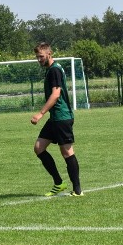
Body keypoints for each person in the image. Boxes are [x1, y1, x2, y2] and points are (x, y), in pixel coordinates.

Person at [30, 42, 82, 197]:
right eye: (37, 57)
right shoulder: (51, 70)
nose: (39, 59)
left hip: (62, 117)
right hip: (55, 118)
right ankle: (59, 183)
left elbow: (56, 95)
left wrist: (40, 114)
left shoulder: (54, 70)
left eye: (41, 56)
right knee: (39, 148)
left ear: (49, 53)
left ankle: (77, 190)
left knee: (66, 152)